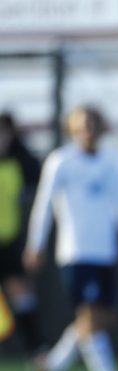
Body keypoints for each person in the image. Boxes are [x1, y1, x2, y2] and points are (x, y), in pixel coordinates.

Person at [24, 106, 118, 371]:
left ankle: (52, 365)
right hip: (76, 251)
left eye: (93, 124)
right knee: (90, 316)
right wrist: (35, 243)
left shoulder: (112, 161)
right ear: (72, 129)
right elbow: (44, 203)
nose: (88, 130)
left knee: (101, 320)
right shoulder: (61, 161)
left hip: (105, 251)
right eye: (82, 125)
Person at [0, 113, 45, 356]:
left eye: (3, 134)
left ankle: (37, 353)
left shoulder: (17, 165)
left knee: (23, 296)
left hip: (7, 244)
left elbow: (38, 171)